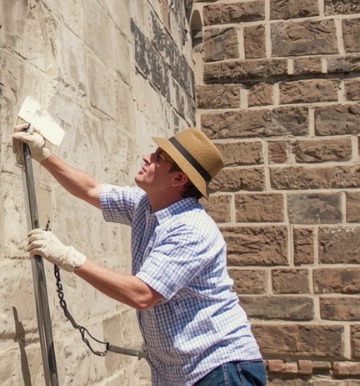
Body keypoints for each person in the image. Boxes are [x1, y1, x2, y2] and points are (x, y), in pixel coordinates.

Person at [13, 125, 265, 386]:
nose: (147, 157)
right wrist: (43, 156)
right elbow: (91, 190)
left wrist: (70, 258)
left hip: (220, 370)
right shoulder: (145, 205)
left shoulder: (191, 229)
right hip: (188, 373)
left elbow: (142, 294)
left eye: (159, 157)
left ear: (178, 180)